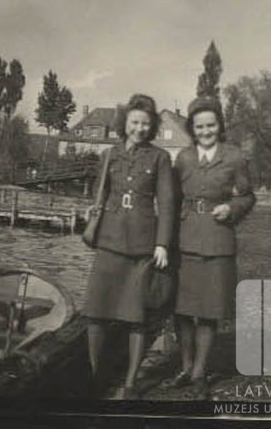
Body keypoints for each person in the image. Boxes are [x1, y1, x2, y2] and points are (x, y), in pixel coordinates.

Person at [82, 93, 174, 399]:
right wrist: (92, 213)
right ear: (124, 123)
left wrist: (162, 243)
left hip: (141, 247)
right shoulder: (110, 154)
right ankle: (95, 377)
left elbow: (167, 204)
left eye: (145, 123)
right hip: (109, 242)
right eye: (135, 122)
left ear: (153, 126)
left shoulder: (160, 158)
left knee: (136, 318)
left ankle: (131, 384)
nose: (139, 129)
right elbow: (101, 193)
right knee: (96, 312)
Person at [171, 96, 255, 398]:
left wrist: (232, 208)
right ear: (192, 129)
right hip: (185, 239)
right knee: (182, 310)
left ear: (219, 126)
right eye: (199, 126)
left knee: (208, 311)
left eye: (211, 125)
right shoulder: (183, 158)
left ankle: (199, 373)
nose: (205, 131)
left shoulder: (235, 158)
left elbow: (248, 196)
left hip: (218, 240)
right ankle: (185, 366)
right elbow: (172, 199)